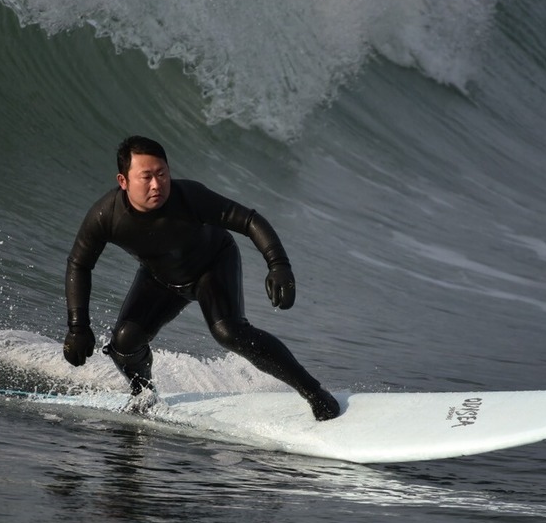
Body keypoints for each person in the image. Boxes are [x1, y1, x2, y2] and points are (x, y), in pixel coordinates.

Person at [62, 135, 340, 421]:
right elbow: (79, 264)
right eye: (146, 177)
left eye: (162, 174)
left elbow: (248, 220)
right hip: (161, 278)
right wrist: (77, 326)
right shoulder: (105, 215)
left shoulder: (189, 197)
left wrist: (278, 264)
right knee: (125, 341)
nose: (157, 184)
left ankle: (314, 393)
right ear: (123, 181)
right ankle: (143, 394)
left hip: (212, 266)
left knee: (229, 332)